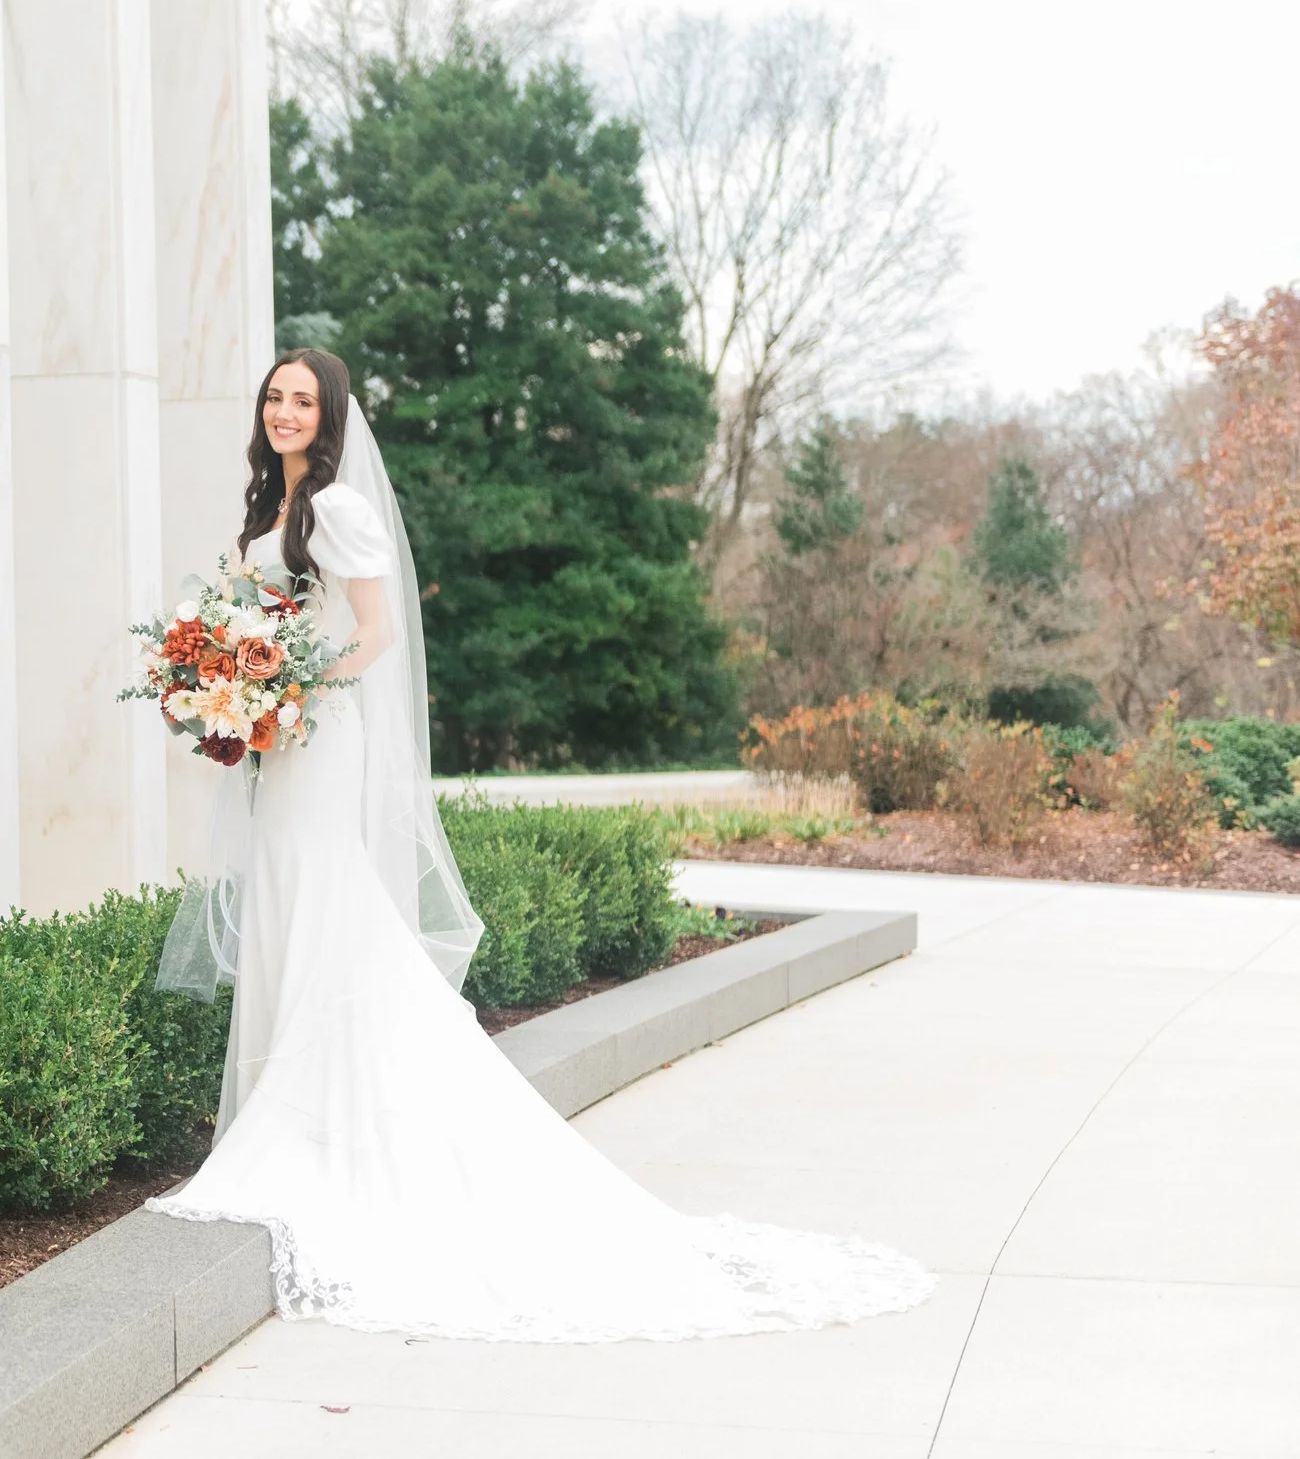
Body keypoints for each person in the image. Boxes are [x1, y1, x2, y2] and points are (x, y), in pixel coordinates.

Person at [144, 348, 932, 1341]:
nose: (286, 410)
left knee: (320, 891)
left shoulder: (338, 508)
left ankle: (326, 1126)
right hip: (281, 739)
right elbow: (254, 617)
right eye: (274, 397)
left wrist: (289, 684)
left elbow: (377, 630)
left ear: (331, 414)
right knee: (287, 897)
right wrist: (231, 682)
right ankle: (282, 1113)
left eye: (303, 399)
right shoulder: (266, 513)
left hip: (318, 730)